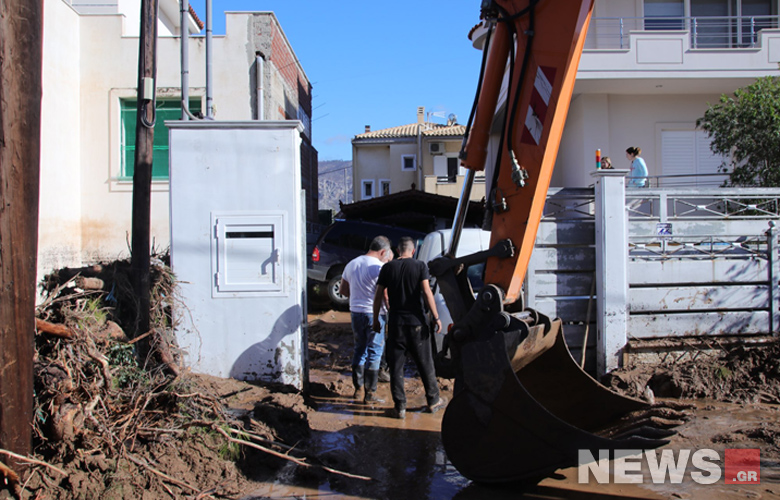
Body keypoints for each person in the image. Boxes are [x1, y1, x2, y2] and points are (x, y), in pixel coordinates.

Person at [372, 236, 447, 419]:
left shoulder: (388, 268)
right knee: (425, 363)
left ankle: (400, 407)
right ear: (413, 251)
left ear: (398, 251)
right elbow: (427, 292)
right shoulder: (420, 266)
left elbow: (378, 295)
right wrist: (436, 317)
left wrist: (375, 319)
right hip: (417, 324)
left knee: (396, 367)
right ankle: (433, 400)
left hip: (396, 324)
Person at [341, 235, 393, 404]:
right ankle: (370, 393)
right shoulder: (380, 268)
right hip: (375, 313)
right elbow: (385, 295)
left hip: (356, 312)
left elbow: (343, 290)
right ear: (383, 251)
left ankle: (358, 389)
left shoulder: (352, 263)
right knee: (375, 351)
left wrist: (357, 296)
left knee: (359, 349)